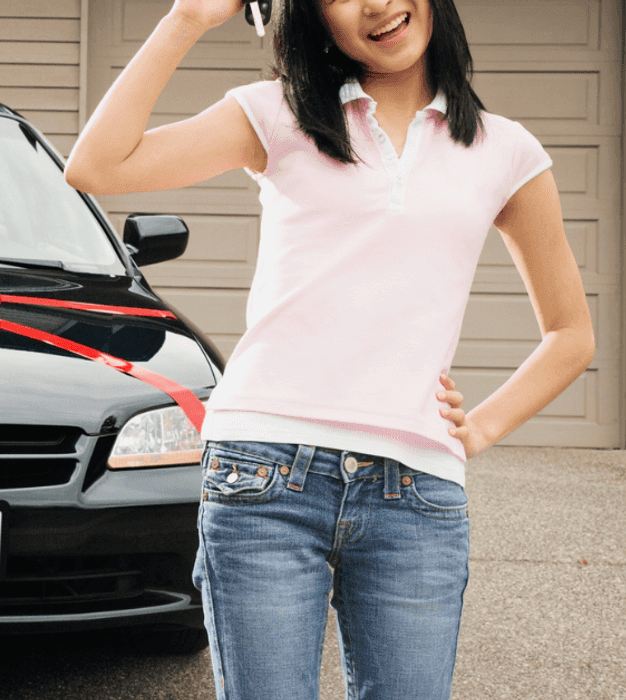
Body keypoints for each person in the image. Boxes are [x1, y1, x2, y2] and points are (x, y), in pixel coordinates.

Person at [64, 1, 595, 698]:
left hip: (416, 492)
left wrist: (480, 426)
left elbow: (570, 335)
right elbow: (95, 166)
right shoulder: (274, 114)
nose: (373, 4)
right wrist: (188, 17)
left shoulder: (507, 151)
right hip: (263, 474)